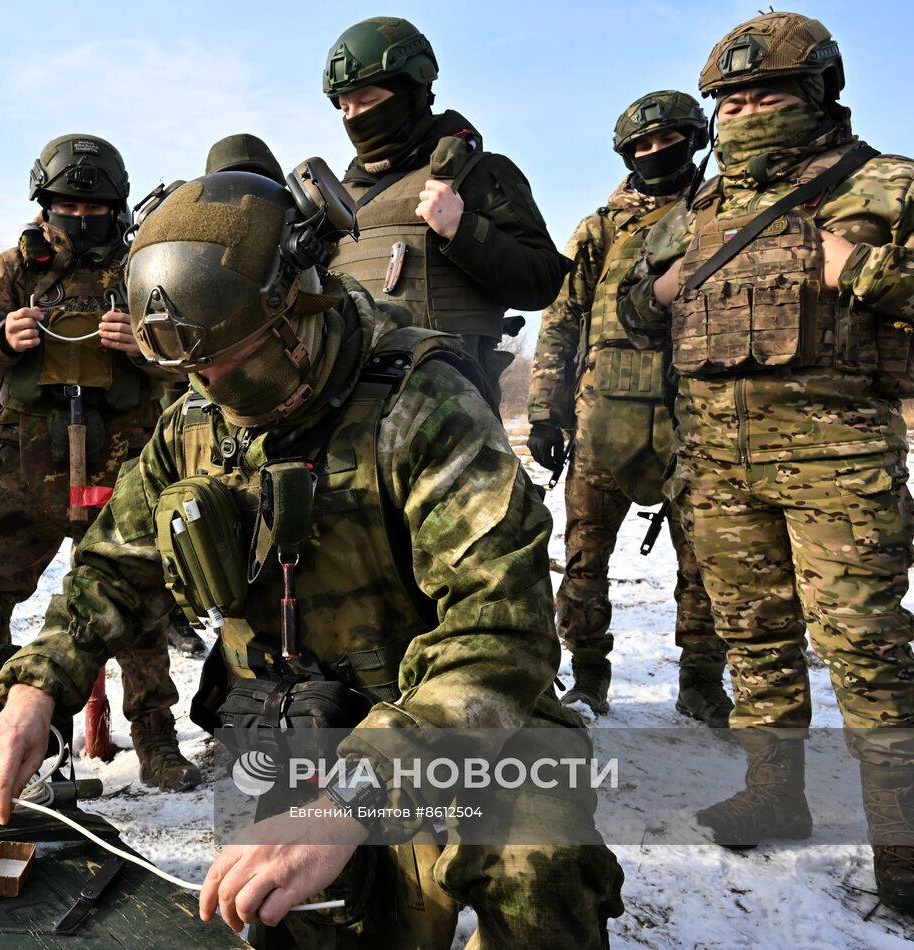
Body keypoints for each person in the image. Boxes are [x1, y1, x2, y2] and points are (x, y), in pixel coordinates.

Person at [0, 170, 624, 947]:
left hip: (460, 720)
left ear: (297, 307)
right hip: (297, 723)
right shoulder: (199, 418)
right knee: (300, 915)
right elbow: (114, 567)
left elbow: (502, 631)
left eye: (231, 361)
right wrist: (35, 693)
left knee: (541, 868)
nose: (209, 385)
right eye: (190, 368)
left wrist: (354, 798)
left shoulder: (422, 403)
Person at [619, 12, 914, 911]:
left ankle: (902, 844)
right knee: (756, 643)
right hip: (721, 471)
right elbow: (634, 313)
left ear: (818, 95)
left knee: (866, 654)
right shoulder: (699, 209)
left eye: (767, 94)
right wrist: (659, 290)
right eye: (732, 100)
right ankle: (772, 794)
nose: (747, 112)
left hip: (840, 469)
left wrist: (857, 269)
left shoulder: (885, 184)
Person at [0, 133, 201, 790]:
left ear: (117, 206)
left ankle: (155, 738)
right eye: (68, 207)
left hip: (122, 469)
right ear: (44, 202)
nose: (82, 219)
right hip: (26, 471)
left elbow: (189, 355)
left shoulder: (143, 266)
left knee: (136, 606)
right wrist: (4, 338)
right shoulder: (16, 268)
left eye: (96, 209)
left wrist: (141, 345)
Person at [527, 91, 732, 725]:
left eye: (665, 140)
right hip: (602, 422)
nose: (653, 153)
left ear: (693, 140)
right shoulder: (600, 229)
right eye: (640, 146)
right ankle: (587, 677)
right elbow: (561, 320)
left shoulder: (722, 215)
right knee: (585, 558)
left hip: (699, 421)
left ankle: (701, 682)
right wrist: (544, 411)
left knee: (706, 564)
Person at [323, 16, 569, 410]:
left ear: (414, 91)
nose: (354, 118)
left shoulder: (479, 174)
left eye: (367, 101)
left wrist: (462, 229)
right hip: (350, 421)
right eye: (344, 107)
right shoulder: (340, 197)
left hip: (451, 420)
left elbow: (542, 280)